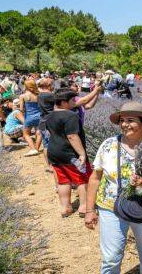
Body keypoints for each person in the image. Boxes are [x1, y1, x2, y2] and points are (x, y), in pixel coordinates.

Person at [84, 101, 142, 274]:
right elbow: (95, 178)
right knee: (111, 257)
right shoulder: (108, 145)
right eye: (122, 120)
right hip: (110, 206)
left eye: (131, 120)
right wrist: (89, 210)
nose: (125, 124)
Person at [47, 88, 92, 217]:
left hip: (54, 152)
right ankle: (84, 207)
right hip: (71, 154)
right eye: (72, 100)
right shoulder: (71, 115)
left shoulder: (50, 115)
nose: (75, 101)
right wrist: (82, 154)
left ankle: (65, 207)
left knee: (63, 181)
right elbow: (72, 136)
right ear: (63, 102)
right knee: (82, 179)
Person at [19, 80, 42, 156]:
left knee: (26, 134)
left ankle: (32, 149)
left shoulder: (23, 96)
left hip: (29, 116)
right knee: (39, 133)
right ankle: (37, 149)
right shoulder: (39, 95)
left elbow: (21, 109)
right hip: (39, 116)